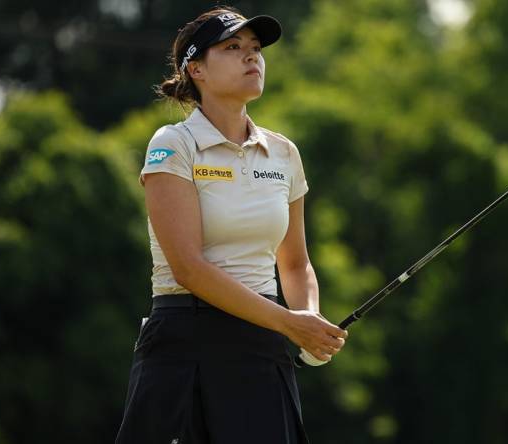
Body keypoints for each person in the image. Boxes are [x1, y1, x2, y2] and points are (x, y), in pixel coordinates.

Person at [115, 6, 348, 443]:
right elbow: (188, 267)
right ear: (196, 68)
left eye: (256, 49)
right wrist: (287, 323)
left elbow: (295, 264)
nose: (252, 57)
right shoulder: (172, 146)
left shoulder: (284, 153)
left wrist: (309, 320)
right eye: (233, 47)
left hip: (262, 350)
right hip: (184, 345)